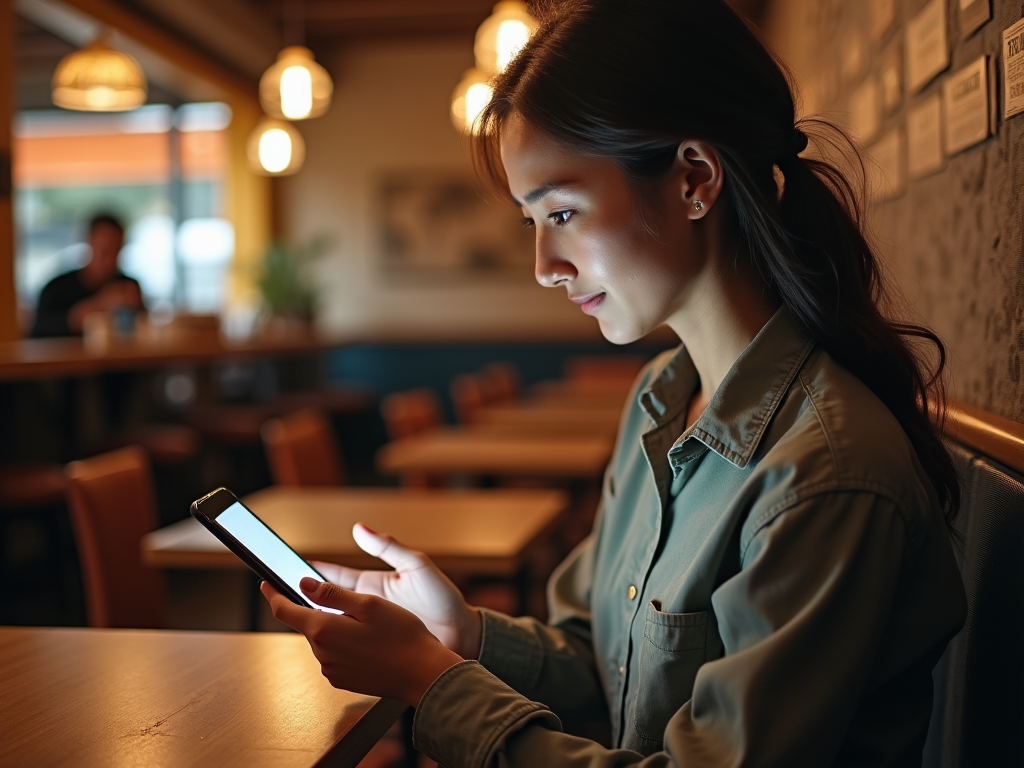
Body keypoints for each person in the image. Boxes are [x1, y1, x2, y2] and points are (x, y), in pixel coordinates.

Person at [261, 1, 967, 765]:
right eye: (531, 221)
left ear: (694, 179)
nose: (543, 266)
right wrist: (463, 632)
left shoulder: (822, 476)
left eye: (562, 211)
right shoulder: (661, 400)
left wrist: (435, 686)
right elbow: (604, 667)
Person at [30, 212, 144, 338]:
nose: (111, 259)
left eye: (116, 251)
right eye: (105, 251)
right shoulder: (56, 289)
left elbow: (144, 331)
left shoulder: (128, 286)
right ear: (88, 243)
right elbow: (39, 332)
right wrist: (101, 304)